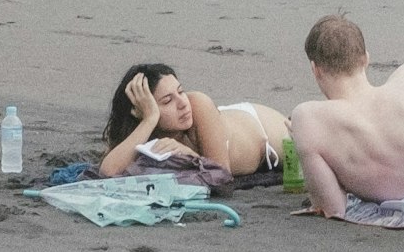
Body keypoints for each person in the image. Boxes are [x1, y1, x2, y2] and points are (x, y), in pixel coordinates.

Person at [286, 13, 404, 220]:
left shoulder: (308, 119)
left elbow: (333, 208)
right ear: (366, 59)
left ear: (315, 70)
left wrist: (303, 143)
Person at [95, 60, 293, 184]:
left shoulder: (198, 103)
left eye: (180, 91)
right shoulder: (146, 125)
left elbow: (222, 175)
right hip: (227, 123)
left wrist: (189, 155)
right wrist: (149, 120)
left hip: (266, 130)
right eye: (167, 101)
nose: (182, 103)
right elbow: (109, 170)